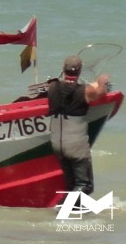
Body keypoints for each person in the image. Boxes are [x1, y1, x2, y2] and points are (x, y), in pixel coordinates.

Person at [47, 55, 110, 197]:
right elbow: (100, 92)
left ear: (63, 70)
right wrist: (102, 81)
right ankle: (62, 212)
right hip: (76, 146)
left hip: (58, 145)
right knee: (84, 185)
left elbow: (64, 89)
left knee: (71, 186)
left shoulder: (52, 87)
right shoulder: (86, 91)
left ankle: (74, 216)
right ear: (80, 71)